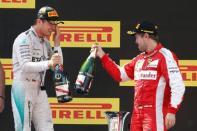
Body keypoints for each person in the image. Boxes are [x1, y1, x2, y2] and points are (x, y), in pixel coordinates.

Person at [92, 21, 185, 131]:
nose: (136, 41)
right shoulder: (139, 59)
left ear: (146, 36)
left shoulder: (165, 56)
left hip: (155, 114)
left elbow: (178, 86)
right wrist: (103, 56)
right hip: (137, 114)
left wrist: (172, 111)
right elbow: (120, 75)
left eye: (137, 37)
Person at [11, 6, 64, 131]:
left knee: (47, 127)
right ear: (40, 21)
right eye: (51, 24)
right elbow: (25, 66)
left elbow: (58, 67)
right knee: (24, 128)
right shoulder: (24, 38)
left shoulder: (45, 42)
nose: (53, 28)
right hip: (23, 88)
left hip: (40, 89)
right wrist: (48, 63)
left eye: (55, 24)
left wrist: (57, 43)